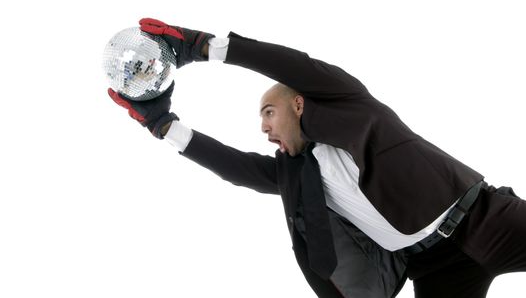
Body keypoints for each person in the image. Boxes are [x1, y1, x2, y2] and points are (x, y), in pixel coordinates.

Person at [108, 18, 526, 298]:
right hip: (434, 267)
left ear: (299, 105)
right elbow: (238, 169)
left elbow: (293, 64)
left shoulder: (352, 106)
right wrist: (164, 126)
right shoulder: (297, 173)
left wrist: (204, 47)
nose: (263, 127)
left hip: (486, 219)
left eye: (268, 113)